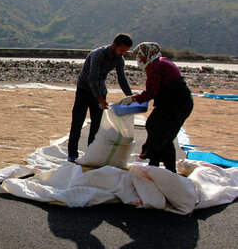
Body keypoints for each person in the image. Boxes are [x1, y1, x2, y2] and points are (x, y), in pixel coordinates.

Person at [120, 42, 193, 173]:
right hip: (174, 102)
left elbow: (152, 92)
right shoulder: (161, 61)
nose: (138, 61)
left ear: (147, 54)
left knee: (163, 135)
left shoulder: (155, 66)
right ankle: (153, 162)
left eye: (139, 57)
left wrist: (133, 98)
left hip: (176, 104)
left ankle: (169, 170)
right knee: (154, 126)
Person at [67, 33, 134, 162]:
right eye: (122, 50)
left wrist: (130, 96)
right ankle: (72, 155)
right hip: (84, 89)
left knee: (96, 125)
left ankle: (91, 154)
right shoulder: (97, 54)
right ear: (114, 45)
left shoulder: (119, 59)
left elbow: (122, 79)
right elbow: (92, 79)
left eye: (126, 51)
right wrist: (101, 100)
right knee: (77, 122)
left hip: (100, 90)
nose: (123, 53)